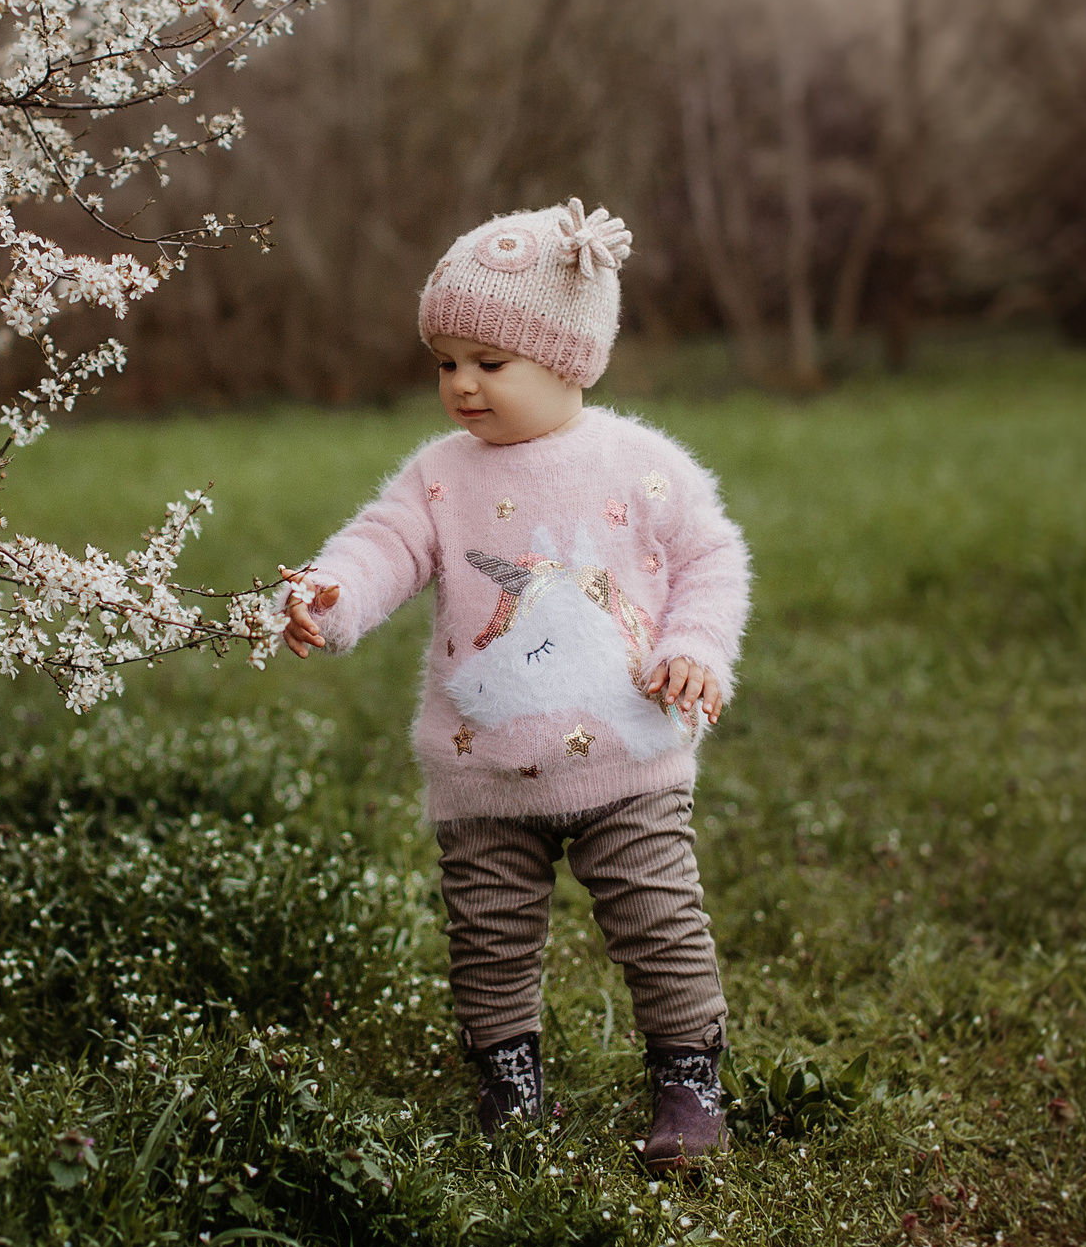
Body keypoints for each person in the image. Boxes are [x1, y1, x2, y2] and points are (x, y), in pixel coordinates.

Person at [280, 200, 751, 1171]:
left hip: (629, 756)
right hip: (480, 769)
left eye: (489, 364)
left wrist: (696, 646)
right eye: (445, 362)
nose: (461, 386)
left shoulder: (635, 464)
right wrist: (330, 595)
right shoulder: (438, 478)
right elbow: (384, 548)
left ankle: (686, 1078)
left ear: (569, 356)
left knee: (657, 921)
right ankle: (508, 1081)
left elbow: (711, 557)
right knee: (488, 940)